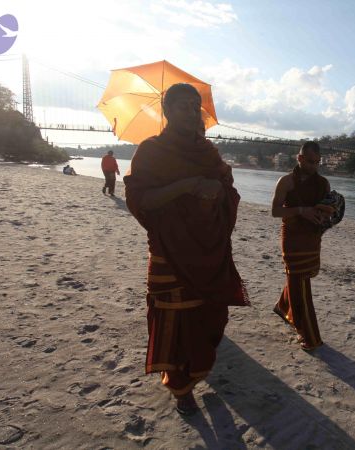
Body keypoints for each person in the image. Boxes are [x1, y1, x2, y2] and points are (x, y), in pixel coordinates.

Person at [124, 83, 248, 415]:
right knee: (175, 324)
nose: (193, 113)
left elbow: (229, 192)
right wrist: (187, 185)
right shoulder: (150, 151)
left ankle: (193, 375)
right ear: (166, 111)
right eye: (184, 106)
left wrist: (219, 187)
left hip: (210, 248)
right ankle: (181, 389)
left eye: (196, 107)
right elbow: (140, 200)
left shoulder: (208, 152)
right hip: (170, 248)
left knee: (212, 319)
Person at [271, 141, 331, 351]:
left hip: (312, 237)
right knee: (299, 281)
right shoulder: (286, 181)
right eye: (310, 161)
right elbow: (275, 211)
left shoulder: (323, 183)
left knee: (299, 278)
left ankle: (282, 306)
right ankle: (308, 335)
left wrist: (324, 216)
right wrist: (301, 211)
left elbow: (327, 211)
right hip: (292, 238)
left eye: (317, 162)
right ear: (300, 158)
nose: (313, 166)